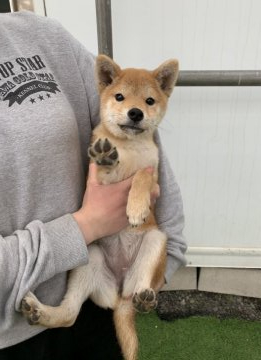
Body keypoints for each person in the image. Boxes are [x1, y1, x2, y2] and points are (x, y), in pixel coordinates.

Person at [0, 10, 187, 360]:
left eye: (148, 102)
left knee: (152, 229)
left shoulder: (41, 33)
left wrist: (165, 260)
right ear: (106, 87)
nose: (135, 109)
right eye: (121, 99)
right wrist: (86, 225)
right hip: (24, 320)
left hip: (103, 294)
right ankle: (64, 311)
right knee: (94, 252)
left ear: (164, 94)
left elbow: (156, 181)